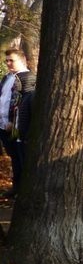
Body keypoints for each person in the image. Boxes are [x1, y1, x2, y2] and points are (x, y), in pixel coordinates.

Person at [0, 48, 36, 197]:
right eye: (6, 60)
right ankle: (17, 187)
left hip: (17, 127)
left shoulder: (28, 78)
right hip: (3, 125)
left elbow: (23, 105)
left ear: (22, 60)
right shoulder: (7, 78)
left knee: (22, 158)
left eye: (11, 60)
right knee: (14, 157)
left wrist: (13, 123)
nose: (8, 63)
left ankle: (24, 191)